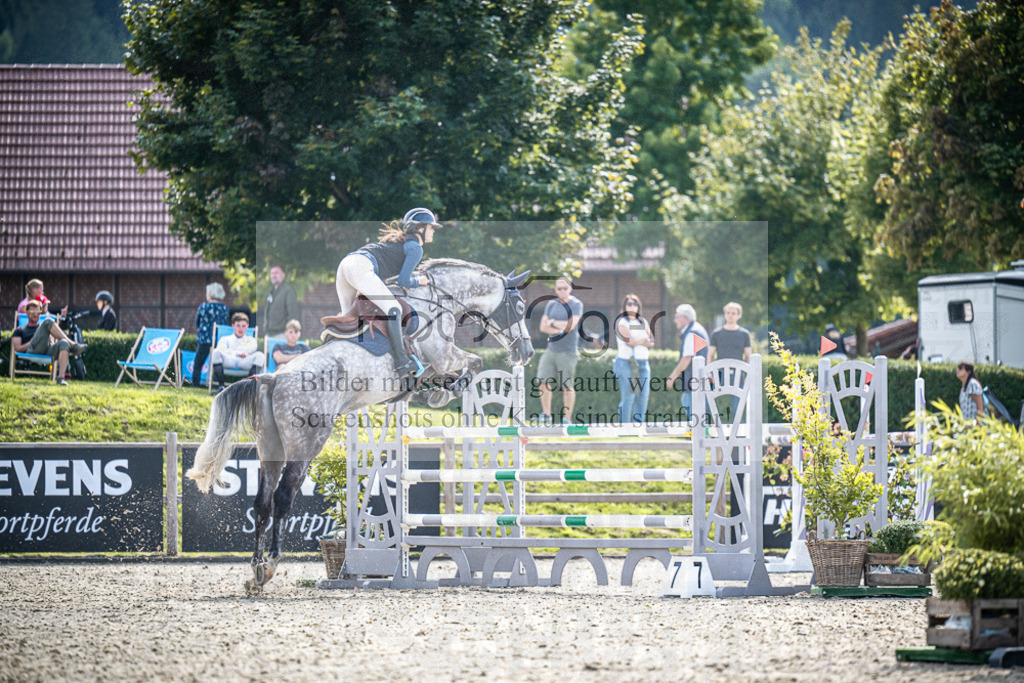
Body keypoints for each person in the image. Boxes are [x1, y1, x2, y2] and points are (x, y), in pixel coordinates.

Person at [335, 207, 441, 377]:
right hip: (361, 267)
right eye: (431, 227)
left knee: (348, 319)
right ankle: (401, 362)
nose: (433, 231)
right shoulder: (415, 248)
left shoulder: (400, 242)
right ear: (420, 228)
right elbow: (403, 281)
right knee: (394, 309)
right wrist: (419, 281)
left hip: (346, 264)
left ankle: (342, 359)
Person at [537, 277, 584, 424]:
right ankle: (546, 415)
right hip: (551, 350)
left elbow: (571, 325)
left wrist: (552, 322)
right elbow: (542, 327)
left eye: (565, 288)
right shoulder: (551, 304)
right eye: (559, 288)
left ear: (570, 288)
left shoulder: (576, 304)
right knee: (542, 381)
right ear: (555, 290)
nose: (562, 291)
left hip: (568, 352)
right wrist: (559, 329)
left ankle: (567, 419)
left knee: (567, 386)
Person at [11, 299, 87, 386]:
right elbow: (17, 349)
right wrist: (30, 343)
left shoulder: (46, 329)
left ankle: (61, 378)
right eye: (32, 312)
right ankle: (73, 345)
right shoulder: (20, 330)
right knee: (48, 321)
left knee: (64, 343)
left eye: (38, 312)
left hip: (46, 350)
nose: (35, 314)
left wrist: (51, 340)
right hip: (32, 350)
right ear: (27, 313)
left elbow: (52, 342)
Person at [612, 293, 654, 424]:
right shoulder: (622, 321)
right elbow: (629, 341)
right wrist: (643, 339)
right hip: (626, 363)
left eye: (635, 303)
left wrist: (639, 341)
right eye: (629, 303)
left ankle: (638, 427)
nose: (632, 306)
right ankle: (624, 427)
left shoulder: (643, 321)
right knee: (628, 397)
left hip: (643, 363)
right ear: (624, 306)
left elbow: (652, 341)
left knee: (643, 397)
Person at [708, 301, 752, 421]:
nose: (730, 315)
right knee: (709, 403)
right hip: (719, 374)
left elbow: (748, 356)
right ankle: (706, 433)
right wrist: (709, 373)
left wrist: (747, 375)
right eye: (728, 312)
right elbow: (710, 354)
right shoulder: (716, 334)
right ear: (724, 314)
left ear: (739, 315)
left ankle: (739, 435)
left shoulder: (744, 334)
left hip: (738, 374)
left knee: (738, 406)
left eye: (733, 313)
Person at [667, 304, 709, 420]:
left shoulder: (692, 333)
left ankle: (695, 438)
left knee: (693, 415)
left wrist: (672, 377)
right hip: (700, 381)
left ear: (685, 318)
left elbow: (686, 359)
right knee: (700, 418)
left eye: (677, 317)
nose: (675, 320)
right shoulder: (698, 329)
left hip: (693, 382)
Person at [210, 312, 265, 394]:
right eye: (238, 325)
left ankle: (248, 388)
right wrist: (237, 353)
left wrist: (245, 353)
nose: (241, 329)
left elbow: (252, 348)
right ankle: (221, 386)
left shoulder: (251, 340)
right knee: (216, 352)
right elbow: (221, 349)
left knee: (260, 355)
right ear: (233, 326)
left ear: (247, 326)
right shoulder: (225, 339)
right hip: (229, 360)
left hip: (244, 361)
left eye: (243, 326)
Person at [191, 283, 230, 387]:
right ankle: (217, 384)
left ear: (210, 294)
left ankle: (195, 383)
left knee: (198, 363)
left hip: (204, 339)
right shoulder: (225, 308)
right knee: (217, 362)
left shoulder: (203, 307)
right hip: (219, 339)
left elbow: (197, 321)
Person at [260, 264, 300, 340]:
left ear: (283, 275)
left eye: (276, 273)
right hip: (269, 334)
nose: (273, 275)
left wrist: (290, 333)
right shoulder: (271, 292)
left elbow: (293, 314)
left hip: (282, 335)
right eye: (272, 273)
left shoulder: (288, 291)